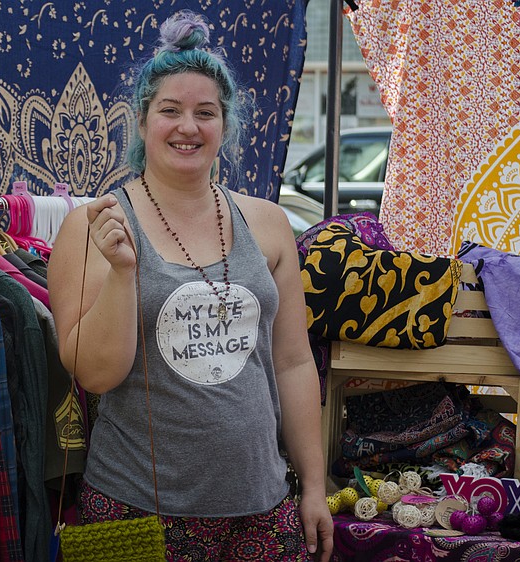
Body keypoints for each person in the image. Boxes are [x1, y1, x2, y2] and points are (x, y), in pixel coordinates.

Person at [48, 10, 333, 561]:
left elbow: (294, 362)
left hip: (262, 510)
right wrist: (124, 273)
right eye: (170, 110)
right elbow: (95, 374)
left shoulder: (269, 223)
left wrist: (314, 486)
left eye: (206, 113)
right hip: (133, 514)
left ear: (225, 125)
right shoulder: (94, 226)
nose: (188, 127)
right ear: (141, 121)